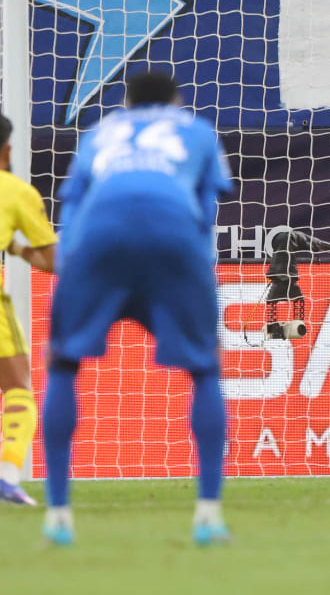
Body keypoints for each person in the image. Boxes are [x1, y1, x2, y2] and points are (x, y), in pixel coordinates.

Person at [41, 71, 235, 545]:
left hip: (97, 239)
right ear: (176, 100)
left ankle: (58, 518)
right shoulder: (196, 129)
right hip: (173, 237)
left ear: (126, 103)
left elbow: (72, 208)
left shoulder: (99, 132)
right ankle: (208, 517)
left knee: (63, 364)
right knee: (205, 369)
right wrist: (197, 272)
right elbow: (207, 207)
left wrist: (73, 272)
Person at [0, 114, 57, 506]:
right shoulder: (16, 191)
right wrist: (17, 247)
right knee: (18, 388)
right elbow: (53, 261)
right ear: (6, 150)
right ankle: (6, 476)